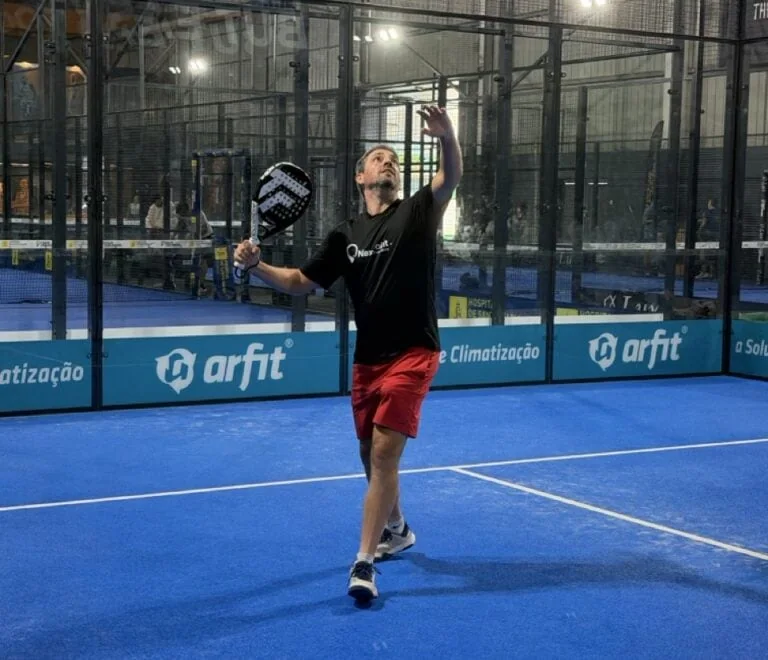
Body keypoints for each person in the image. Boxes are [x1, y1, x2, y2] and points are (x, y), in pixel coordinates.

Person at [234, 105, 462, 602]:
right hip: (368, 359)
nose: (388, 163)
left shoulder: (417, 212)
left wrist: (447, 136)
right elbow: (301, 282)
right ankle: (397, 528)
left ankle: (363, 563)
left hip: (414, 352)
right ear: (361, 177)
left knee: (383, 453)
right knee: (367, 453)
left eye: (393, 160)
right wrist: (257, 267)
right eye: (379, 158)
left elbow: (450, 178)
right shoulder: (345, 235)